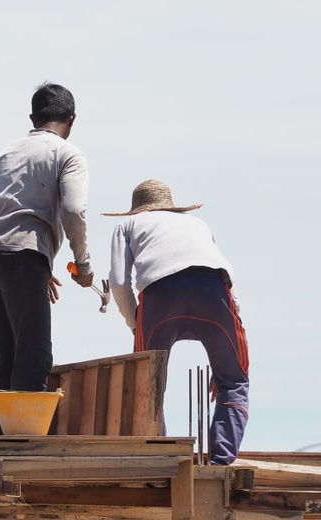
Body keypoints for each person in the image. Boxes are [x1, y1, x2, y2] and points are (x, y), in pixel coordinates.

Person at [106, 180, 249, 465]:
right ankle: (221, 462)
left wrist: (136, 323)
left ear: (136, 209)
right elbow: (226, 284)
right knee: (233, 382)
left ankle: (161, 457)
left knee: (147, 385)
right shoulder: (198, 224)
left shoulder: (127, 225)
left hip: (160, 298)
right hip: (214, 293)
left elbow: (119, 283)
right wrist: (226, 357)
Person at [0, 83, 94, 392]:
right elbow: (74, 210)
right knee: (33, 356)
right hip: (24, 255)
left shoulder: (3, 154)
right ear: (73, 119)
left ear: (32, 117)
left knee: (6, 357)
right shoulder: (67, 153)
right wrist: (84, 264)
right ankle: (23, 438)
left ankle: (4, 436)